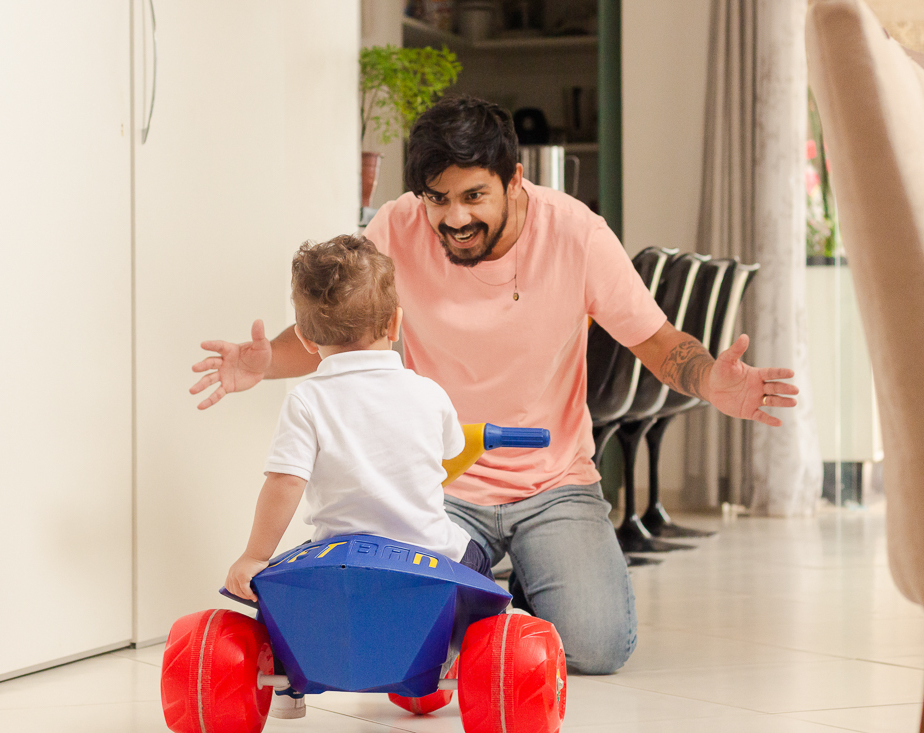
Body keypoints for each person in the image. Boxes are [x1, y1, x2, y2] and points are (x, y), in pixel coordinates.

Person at [195, 95, 799, 675]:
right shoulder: (397, 227)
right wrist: (261, 364)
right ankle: (493, 598)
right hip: (443, 487)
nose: (454, 219)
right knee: (411, 637)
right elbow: (341, 328)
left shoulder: (576, 233)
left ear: (514, 180)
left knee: (598, 648)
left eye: (473, 196)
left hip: (554, 481)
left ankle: (530, 586)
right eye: (437, 200)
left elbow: (658, 343)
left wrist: (711, 382)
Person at [223, 235, 492, 718]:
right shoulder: (429, 394)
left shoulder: (307, 399)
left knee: (276, 585)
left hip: (338, 559)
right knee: (480, 565)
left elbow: (285, 482)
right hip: (429, 557)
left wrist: (255, 555)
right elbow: (450, 455)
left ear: (306, 340)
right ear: (394, 323)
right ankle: (476, 653)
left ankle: (289, 683)